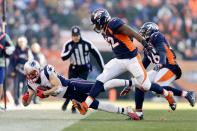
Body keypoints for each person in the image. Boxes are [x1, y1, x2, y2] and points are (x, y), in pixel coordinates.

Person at [78, 8, 178, 116]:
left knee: (146, 85)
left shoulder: (113, 23)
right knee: (101, 78)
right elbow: (126, 36)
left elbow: (132, 32)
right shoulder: (105, 31)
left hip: (132, 60)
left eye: (96, 23)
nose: (95, 26)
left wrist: (145, 44)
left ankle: (168, 95)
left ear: (102, 20)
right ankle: (86, 105)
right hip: (119, 60)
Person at [120, 22, 196, 120]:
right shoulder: (147, 48)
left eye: (144, 32)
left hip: (170, 66)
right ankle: (139, 113)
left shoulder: (156, 36)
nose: (141, 34)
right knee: (140, 83)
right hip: (161, 68)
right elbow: (142, 67)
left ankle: (186, 94)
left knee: (158, 87)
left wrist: (161, 62)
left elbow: (162, 50)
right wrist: (132, 82)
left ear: (150, 30)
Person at [22, 60, 138, 120]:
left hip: (73, 85)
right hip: (71, 96)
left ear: (38, 70)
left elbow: (58, 87)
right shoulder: (31, 83)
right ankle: (126, 110)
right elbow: (27, 102)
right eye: (29, 74)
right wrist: (25, 99)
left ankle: (131, 82)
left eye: (33, 73)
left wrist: (45, 93)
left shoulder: (46, 72)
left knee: (102, 86)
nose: (31, 76)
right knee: (98, 105)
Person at [61, 26, 104, 112]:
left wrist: (103, 68)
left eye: (77, 35)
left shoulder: (87, 44)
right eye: (73, 35)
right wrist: (70, 51)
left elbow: (97, 55)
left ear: (80, 35)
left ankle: (74, 107)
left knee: (79, 87)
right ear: (71, 36)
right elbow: (63, 57)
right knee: (70, 86)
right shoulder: (68, 44)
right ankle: (67, 100)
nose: (75, 37)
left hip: (84, 68)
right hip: (73, 68)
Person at [11, 36, 33, 105]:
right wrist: (12, 71)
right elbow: (12, 62)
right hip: (17, 70)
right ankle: (16, 101)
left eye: (23, 42)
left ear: (25, 42)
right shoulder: (16, 51)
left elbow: (31, 61)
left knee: (26, 86)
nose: (21, 43)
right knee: (16, 86)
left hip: (26, 71)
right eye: (20, 42)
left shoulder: (28, 50)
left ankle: (24, 99)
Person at [0, 32, 15, 109]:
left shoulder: (5, 36)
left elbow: (11, 47)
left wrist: (8, 50)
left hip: (1, 62)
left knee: (0, 83)